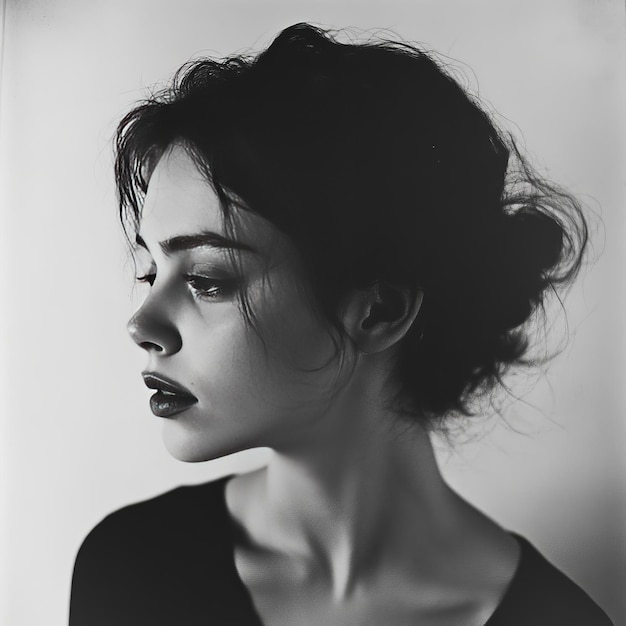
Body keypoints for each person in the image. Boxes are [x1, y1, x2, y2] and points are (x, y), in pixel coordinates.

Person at [69, 22, 613, 625]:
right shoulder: (132, 567)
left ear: (379, 311)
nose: (142, 323)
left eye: (207, 279)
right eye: (150, 272)